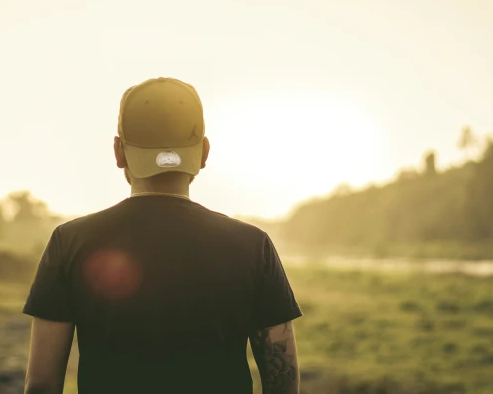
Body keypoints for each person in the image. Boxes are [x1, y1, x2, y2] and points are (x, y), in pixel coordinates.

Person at [22, 77, 303, 394]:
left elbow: (42, 384)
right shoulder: (253, 245)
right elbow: (283, 381)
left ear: (119, 152)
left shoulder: (69, 241)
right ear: (203, 152)